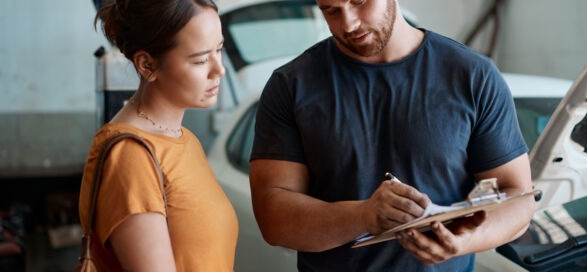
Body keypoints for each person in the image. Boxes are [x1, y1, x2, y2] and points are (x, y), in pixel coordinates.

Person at [249, 0, 535, 270]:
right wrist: (363, 216)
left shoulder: (474, 76)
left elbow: (518, 199)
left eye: (359, 2)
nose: (348, 24)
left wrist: (463, 241)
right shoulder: (290, 86)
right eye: (331, 10)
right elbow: (273, 218)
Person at [78, 0, 238, 271]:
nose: (219, 69)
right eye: (200, 59)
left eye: (219, 50)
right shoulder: (131, 156)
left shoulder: (183, 138)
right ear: (147, 64)